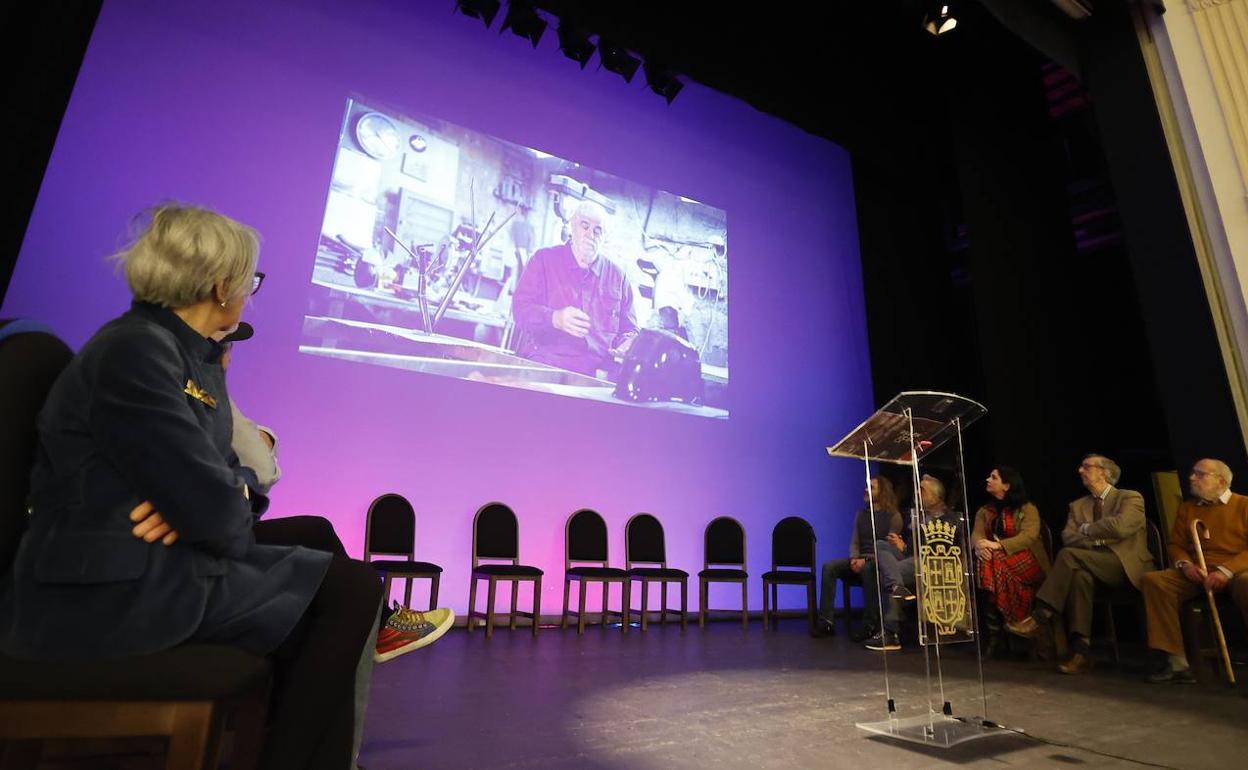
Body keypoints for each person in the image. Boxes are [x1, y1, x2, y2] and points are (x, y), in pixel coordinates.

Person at [0, 205, 430, 770]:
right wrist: (212, 499)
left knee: (320, 544)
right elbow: (218, 512)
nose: (250, 293)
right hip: (106, 594)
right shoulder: (136, 352)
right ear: (223, 285)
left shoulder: (178, 352)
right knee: (351, 591)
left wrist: (215, 495)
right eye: (250, 280)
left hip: (145, 559)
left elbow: (224, 479)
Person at [1006, 454, 1151, 674]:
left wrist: (1087, 530)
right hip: (1089, 563)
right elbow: (1068, 537)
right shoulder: (1078, 506)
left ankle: (1040, 616)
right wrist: (1098, 535)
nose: (1080, 471)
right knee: (1079, 577)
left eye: (1086, 467)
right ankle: (1081, 652)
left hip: (1124, 565)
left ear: (1103, 472)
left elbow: (1121, 527)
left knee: (1068, 556)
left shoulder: (1129, 498)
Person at [1142, 458, 1248, 684]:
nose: (1192, 478)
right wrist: (1186, 564)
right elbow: (1176, 545)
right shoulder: (1188, 508)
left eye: (1200, 474)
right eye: (1193, 473)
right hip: (1198, 571)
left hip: (1236, 571)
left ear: (1221, 480)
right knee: (1155, 581)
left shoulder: (1244, 505)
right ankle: (1176, 662)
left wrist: (1226, 571)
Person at [511, 198, 638, 379]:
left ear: (605, 236)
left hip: (599, 374)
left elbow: (630, 329)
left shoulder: (619, 277)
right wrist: (554, 318)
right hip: (547, 365)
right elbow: (520, 310)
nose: (590, 234)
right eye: (584, 226)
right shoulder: (543, 260)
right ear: (572, 226)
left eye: (597, 230)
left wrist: (628, 343)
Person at [862, 474, 966, 651]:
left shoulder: (948, 518)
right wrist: (902, 546)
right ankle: (896, 586)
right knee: (881, 545)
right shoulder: (920, 515)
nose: (917, 492)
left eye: (922, 490)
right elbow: (912, 550)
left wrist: (909, 547)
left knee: (888, 571)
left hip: (934, 562)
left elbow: (939, 549)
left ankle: (891, 632)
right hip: (915, 558)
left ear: (935, 496)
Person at [972, 466, 1050, 655]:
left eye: (993, 477)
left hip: (1029, 562)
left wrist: (997, 546)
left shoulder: (1027, 509)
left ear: (1006, 485)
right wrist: (979, 546)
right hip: (999, 563)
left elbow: (1028, 537)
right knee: (987, 560)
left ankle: (996, 637)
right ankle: (997, 633)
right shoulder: (985, 511)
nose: (988, 480)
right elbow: (977, 534)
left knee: (992, 559)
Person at [817, 476, 902, 639]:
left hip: (879, 564)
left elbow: (891, 551)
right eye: (867, 486)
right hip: (859, 560)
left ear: (882, 492)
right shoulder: (861, 515)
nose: (866, 490)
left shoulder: (893, 516)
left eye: (872, 487)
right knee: (829, 567)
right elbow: (855, 542)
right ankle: (826, 622)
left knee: (869, 568)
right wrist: (854, 558)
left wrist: (867, 560)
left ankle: (869, 625)